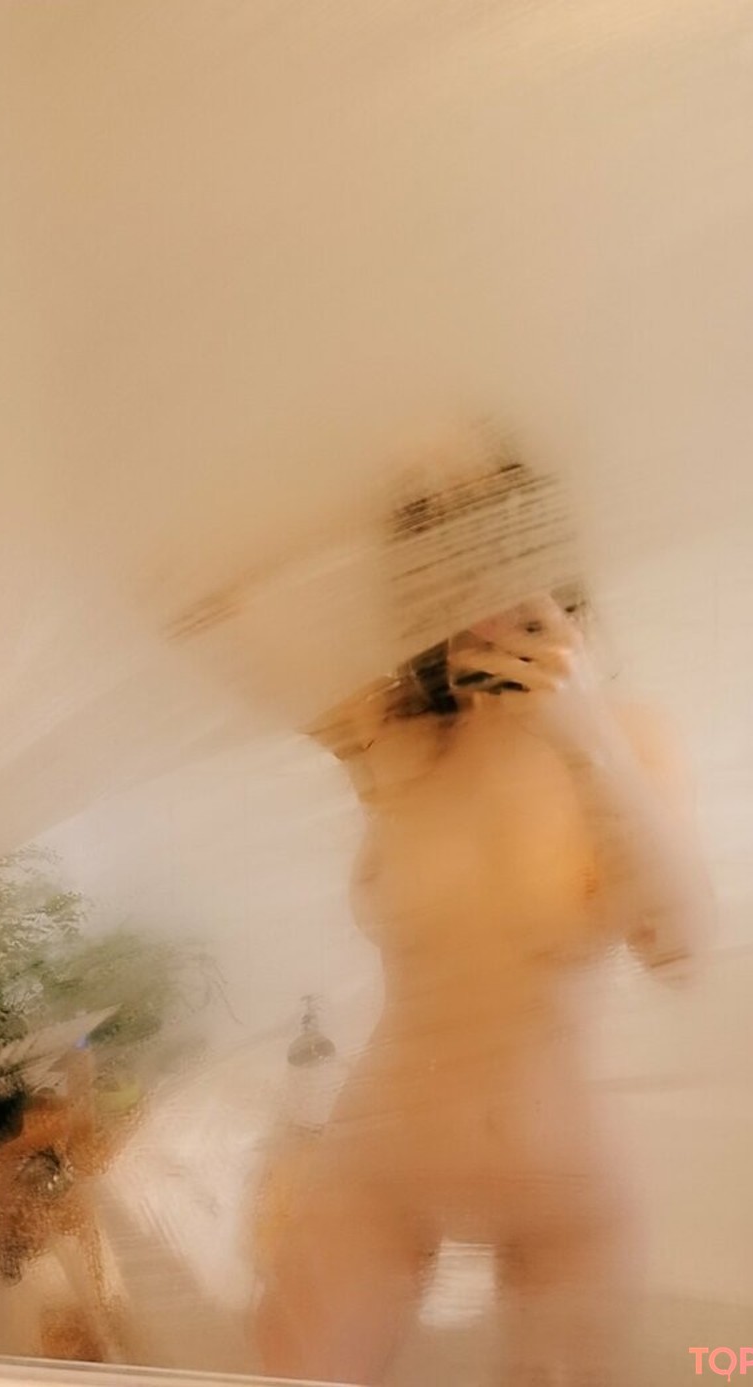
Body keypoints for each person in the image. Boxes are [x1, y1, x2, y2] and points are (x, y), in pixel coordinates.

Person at [254, 555, 713, 1385]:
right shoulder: (390, 731)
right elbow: (214, 619)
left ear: (551, 569)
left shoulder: (626, 732)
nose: (481, 599)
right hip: (383, 1157)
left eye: (503, 560)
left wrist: (585, 737)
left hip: (563, 1179)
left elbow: (679, 949)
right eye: (444, 552)